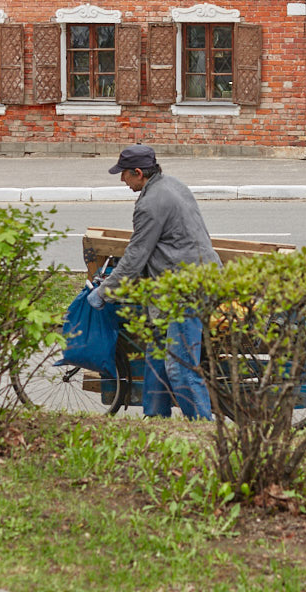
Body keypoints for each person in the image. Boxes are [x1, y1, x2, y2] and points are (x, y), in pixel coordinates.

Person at [86, 144, 220, 420]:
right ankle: (156, 418)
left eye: (124, 174)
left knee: (179, 366)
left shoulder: (149, 203)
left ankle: (204, 428)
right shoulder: (173, 185)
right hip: (186, 278)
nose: (122, 180)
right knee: (157, 354)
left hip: (186, 289)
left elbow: (136, 255)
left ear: (138, 173)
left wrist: (105, 291)